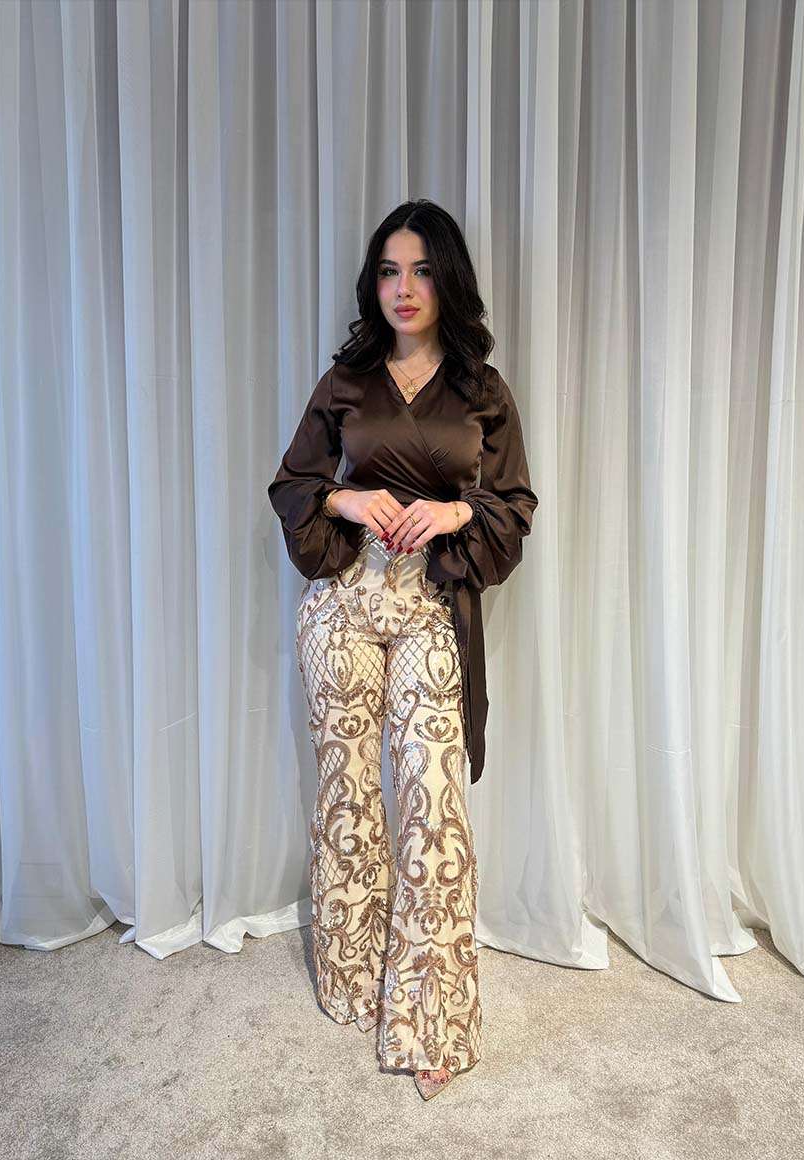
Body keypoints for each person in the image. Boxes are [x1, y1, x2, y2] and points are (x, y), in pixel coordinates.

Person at [268, 199, 538, 1100]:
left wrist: (457, 511)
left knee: (431, 796)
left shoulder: (482, 390)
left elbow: (515, 507)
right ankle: (352, 972)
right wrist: (344, 499)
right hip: (344, 601)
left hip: (430, 606)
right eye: (389, 271)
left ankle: (432, 1015)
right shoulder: (346, 380)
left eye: (421, 270)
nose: (404, 288)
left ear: (446, 279)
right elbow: (294, 483)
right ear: (373, 284)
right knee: (348, 792)